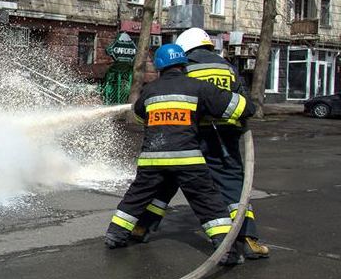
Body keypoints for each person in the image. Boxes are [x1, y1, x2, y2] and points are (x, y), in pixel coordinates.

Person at [105, 44, 255, 265]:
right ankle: (227, 251)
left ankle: (115, 235)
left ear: (159, 68)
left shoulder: (150, 90)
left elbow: (139, 117)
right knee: (207, 202)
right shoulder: (198, 88)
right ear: (184, 65)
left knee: (136, 197)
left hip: (152, 160)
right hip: (187, 159)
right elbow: (243, 108)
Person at [131, 28, 269, 260]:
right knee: (232, 185)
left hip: (185, 132)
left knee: (165, 180)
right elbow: (243, 103)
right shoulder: (227, 67)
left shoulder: (185, 68)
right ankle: (246, 238)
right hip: (223, 137)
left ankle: (141, 227)